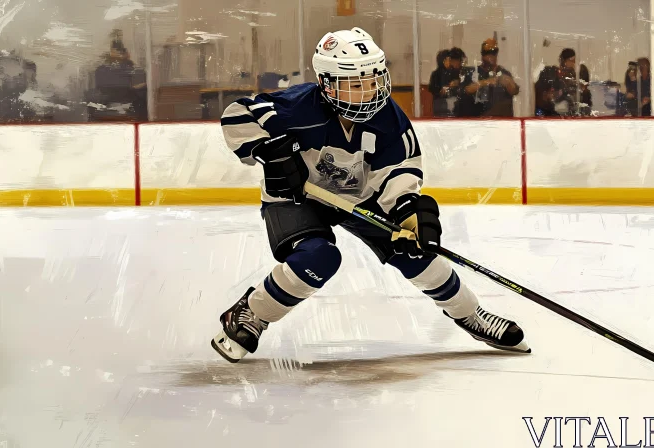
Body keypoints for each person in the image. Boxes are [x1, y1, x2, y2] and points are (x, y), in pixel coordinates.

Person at [211, 27, 530, 363]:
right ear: (327, 83)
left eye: (374, 79)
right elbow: (238, 114)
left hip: (357, 197)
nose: (370, 92)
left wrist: (409, 211)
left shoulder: (390, 120)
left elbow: (400, 171)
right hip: (296, 195)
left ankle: (470, 313)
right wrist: (268, 152)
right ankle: (252, 313)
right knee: (319, 258)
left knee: (416, 253)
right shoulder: (295, 107)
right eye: (356, 83)